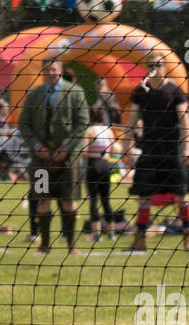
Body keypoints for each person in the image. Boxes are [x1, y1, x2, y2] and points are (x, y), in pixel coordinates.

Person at [124, 52, 189, 253]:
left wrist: (187, 148)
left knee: (181, 195)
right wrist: (126, 144)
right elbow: (131, 120)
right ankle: (140, 238)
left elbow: (185, 122)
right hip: (149, 150)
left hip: (172, 151)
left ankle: (188, 236)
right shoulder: (141, 91)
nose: (155, 68)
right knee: (143, 196)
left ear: (165, 66)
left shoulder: (175, 91)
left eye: (159, 64)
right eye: (151, 65)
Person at [18, 54, 89, 255]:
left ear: (61, 69)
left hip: (68, 159)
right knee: (42, 199)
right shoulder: (34, 94)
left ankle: (71, 245)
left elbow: (82, 123)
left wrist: (66, 147)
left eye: (54, 68)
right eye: (47, 69)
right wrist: (36, 145)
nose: (50, 72)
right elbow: (24, 123)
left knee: (69, 200)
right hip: (41, 159)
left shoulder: (76, 92)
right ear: (42, 71)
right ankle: (44, 245)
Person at [83, 108, 118, 240]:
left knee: (93, 200)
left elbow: (84, 151)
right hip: (105, 165)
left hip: (93, 165)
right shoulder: (108, 131)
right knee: (106, 200)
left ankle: (96, 234)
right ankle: (111, 233)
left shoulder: (89, 131)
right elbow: (114, 149)